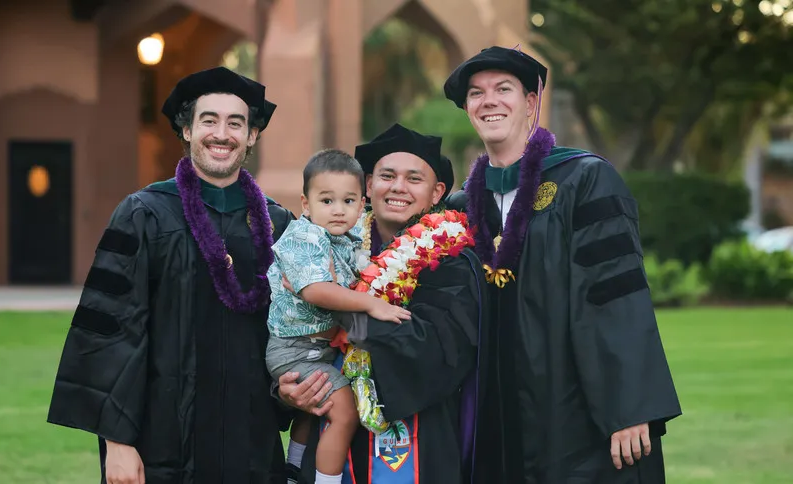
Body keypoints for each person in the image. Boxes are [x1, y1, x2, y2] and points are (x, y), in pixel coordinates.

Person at [443, 46, 682, 483]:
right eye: (476, 93)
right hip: (494, 413)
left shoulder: (583, 180)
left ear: (531, 102)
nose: (488, 101)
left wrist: (627, 406)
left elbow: (615, 294)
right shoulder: (462, 205)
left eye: (503, 89)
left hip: (571, 407)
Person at [46, 66, 296, 484]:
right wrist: (118, 445)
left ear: (252, 135)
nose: (222, 133)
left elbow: (295, 332)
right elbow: (110, 332)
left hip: (250, 442)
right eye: (208, 120)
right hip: (161, 444)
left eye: (236, 123)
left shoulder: (276, 224)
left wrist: (292, 392)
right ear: (187, 130)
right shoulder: (144, 214)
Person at [276, 123, 491, 484]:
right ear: (368, 187)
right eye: (386, 176)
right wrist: (287, 389)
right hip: (334, 433)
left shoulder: (450, 262)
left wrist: (340, 308)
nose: (397, 187)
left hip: (421, 444)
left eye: (414, 178)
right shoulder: (334, 245)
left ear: (437, 191)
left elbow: (432, 349)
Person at [265, 149, 412, 484]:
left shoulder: (347, 238)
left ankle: (293, 469)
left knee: (316, 409)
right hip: (295, 348)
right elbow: (316, 290)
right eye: (327, 201)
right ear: (306, 204)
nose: (338, 210)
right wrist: (371, 304)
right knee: (343, 409)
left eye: (348, 201)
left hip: (318, 345)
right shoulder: (306, 235)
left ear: (362, 205)